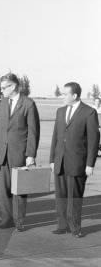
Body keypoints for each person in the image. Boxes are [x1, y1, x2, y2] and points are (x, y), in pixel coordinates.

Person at [0, 74, 40, 232]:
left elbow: (33, 132)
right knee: (4, 189)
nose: (1, 90)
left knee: (19, 189)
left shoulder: (28, 104)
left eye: (4, 87)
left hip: (20, 154)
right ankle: (6, 219)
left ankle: (19, 220)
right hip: (2, 153)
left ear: (14, 86)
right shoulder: (1, 103)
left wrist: (30, 155)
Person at [50, 82, 100, 237]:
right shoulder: (60, 111)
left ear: (74, 95)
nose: (62, 97)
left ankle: (75, 228)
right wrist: (52, 159)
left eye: (65, 94)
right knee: (61, 196)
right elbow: (55, 137)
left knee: (75, 197)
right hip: (60, 162)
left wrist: (90, 164)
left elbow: (93, 141)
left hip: (78, 163)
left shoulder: (89, 112)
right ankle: (62, 225)